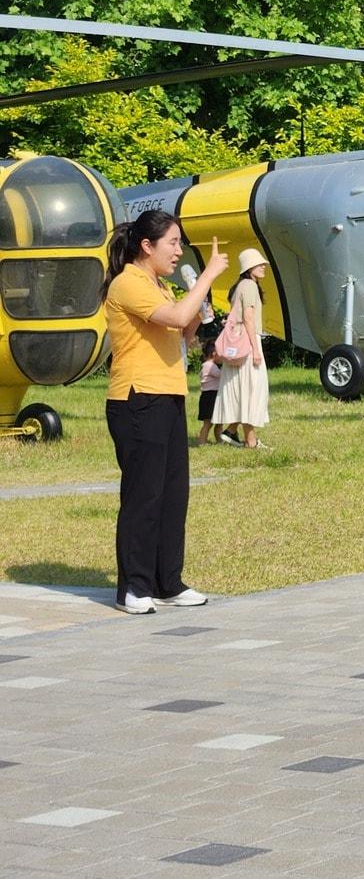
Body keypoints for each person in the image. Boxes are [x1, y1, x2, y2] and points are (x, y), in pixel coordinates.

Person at [102, 211, 228, 614]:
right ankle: (133, 587)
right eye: (172, 243)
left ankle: (167, 581)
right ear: (147, 246)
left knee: (173, 495)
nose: (177, 251)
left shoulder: (159, 286)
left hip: (169, 396)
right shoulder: (128, 283)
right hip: (138, 399)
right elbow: (173, 317)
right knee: (144, 495)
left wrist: (198, 309)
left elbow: (181, 333)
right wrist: (206, 276)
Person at [212, 248, 271, 449]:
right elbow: (248, 318)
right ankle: (250, 440)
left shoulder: (240, 286)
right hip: (248, 341)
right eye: (259, 264)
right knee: (253, 389)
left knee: (242, 388)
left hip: (237, 343)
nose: (263, 267)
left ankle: (231, 431)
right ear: (250, 267)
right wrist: (256, 350)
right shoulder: (250, 287)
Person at [195, 338, 222, 446]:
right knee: (208, 423)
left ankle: (219, 439)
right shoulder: (210, 366)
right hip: (211, 396)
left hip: (208, 396)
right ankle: (202, 441)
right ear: (214, 353)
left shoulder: (206, 365)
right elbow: (221, 375)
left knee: (217, 421)